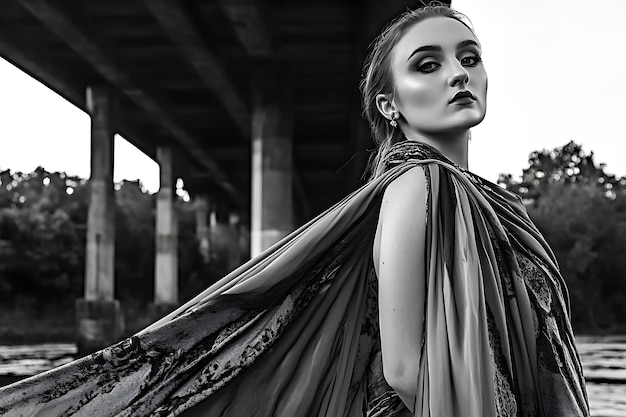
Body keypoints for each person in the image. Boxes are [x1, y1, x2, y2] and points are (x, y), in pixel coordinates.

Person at [0, 4, 589, 417]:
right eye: (428, 64)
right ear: (390, 104)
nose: (459, 73)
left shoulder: (469, 196)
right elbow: (407, 368)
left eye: (469, 57)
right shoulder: (420, 185)